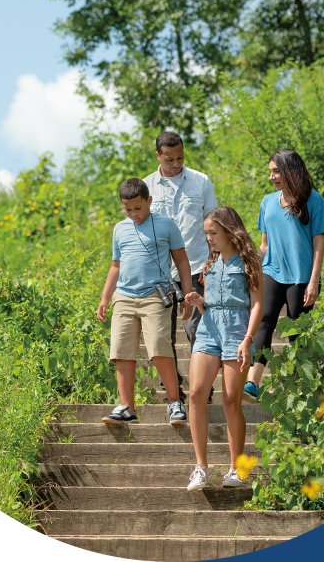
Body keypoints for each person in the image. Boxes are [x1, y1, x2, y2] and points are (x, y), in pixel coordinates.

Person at [97, 178, 193, 425]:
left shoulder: (166, 225)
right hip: (124, 297)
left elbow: (182, 261)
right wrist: (105, 296)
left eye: (138, 208)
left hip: (155, 296)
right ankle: (127, 407)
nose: (133, 214)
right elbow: (115, 265)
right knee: (121, 351)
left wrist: (188, 294)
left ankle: (174, 402)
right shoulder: (120, 228)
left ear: (149, 201)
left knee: (159, 347)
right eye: (127, 209)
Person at [183, 206, 263, 491]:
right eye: (207, 233)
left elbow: (256, 304)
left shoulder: (247, 262)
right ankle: (201, 467)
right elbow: (210, 308)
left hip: (236, 331)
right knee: (195, 393)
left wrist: (248, 339)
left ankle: (236, 469)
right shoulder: (210, 264)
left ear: (230, 231)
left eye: (213, 233)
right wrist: (198, 301)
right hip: (208, 330)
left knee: (230, 400)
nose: (209, 239)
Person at [242, 149, 324, 403]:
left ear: (291, 170)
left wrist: (314, 281)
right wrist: (250, 266)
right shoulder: (268, 202)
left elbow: (318, 245)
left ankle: (304, 385)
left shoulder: (314, 201)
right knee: (264, 320)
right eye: (270, 171)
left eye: (276, 171)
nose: (271, 176)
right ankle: (252, 382)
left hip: (301, 277)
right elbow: (265, 245)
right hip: (272, 271)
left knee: (295, 330)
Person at [144, 131, 218, 404]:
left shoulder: (201, 182)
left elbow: (214, 227)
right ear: (158, 156)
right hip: (160, 273)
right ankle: (173, 391)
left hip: (197, 266)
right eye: (169, 158)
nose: (176, 163)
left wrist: (212, 267)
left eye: (180, 157)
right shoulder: (146, 186)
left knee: (197, 330)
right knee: (162, 335)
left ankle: (204, 390)